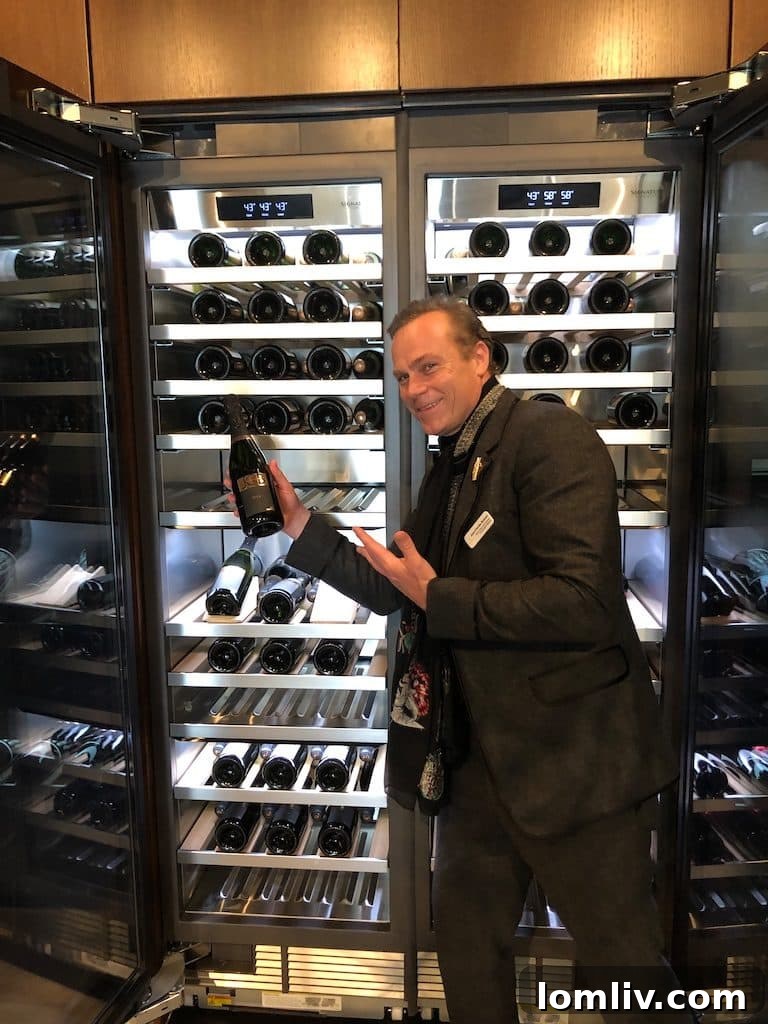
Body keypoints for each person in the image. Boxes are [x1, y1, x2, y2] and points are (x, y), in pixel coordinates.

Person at [268, 296, 679, 1023]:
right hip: (472, 765)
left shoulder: (550, 436)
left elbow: (582, 600)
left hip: (576, 768)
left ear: (480, 357)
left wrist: (444, 598)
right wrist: (301, 523)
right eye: (400, 376)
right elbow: (403, 586)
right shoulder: (451, 464)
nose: (413, 389)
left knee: (626, 968)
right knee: (467, 958)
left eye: (429, 366)